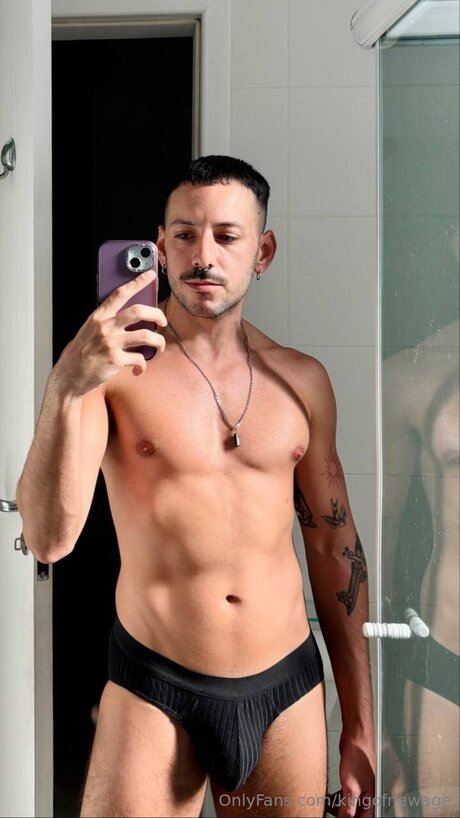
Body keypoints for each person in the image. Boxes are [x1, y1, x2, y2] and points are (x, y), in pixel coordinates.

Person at [16, 155, 375, 818]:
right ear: (159, 247)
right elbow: (47, 539)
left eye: (227, 236)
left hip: (285, 688)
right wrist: (67, 382)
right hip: (155, 684)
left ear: (262, 252)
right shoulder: (113, 374)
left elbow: (335, 551)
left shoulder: (303, 382)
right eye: (184, 235)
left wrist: (360, 725)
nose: (203, 255)